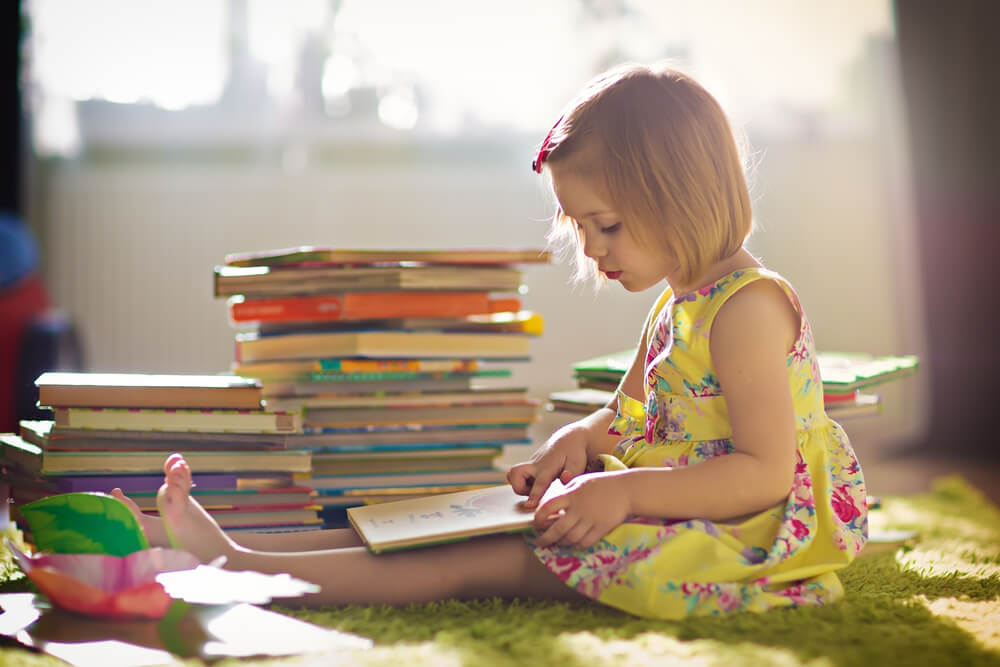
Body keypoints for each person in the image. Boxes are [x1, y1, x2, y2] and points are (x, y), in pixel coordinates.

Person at [117, 62, 867, 619]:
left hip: (744, 536)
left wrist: (627, 488)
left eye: (607, 225)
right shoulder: (679, 304)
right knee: (447, 522)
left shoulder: (747, 309)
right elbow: (632, 416)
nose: (594, 250)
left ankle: (248, 571)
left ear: (684, 195)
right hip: (672, 502)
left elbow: (766, 473)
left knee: (487, 556)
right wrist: (576, 440)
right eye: (581, 229)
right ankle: (245, 551)